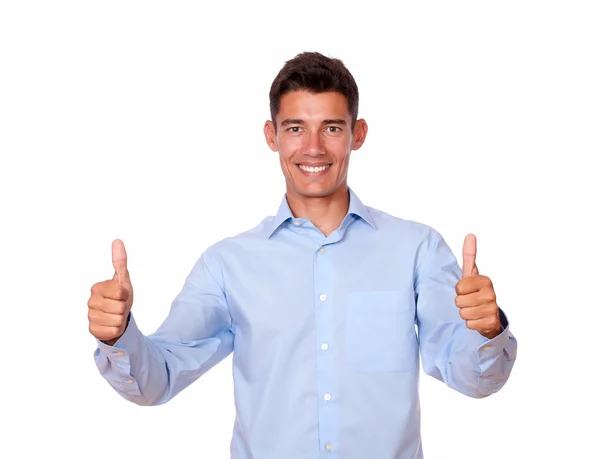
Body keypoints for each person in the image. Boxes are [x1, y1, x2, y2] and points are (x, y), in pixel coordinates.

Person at [88, 51, 517, 459]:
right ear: (272, 136)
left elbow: (474, 380)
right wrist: (118, 335)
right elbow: (158, 379)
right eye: (295, 128)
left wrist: (487, 331)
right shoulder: (227, 264)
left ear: (358, 134)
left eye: (331, 127)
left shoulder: (416, 249)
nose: (313, 148)